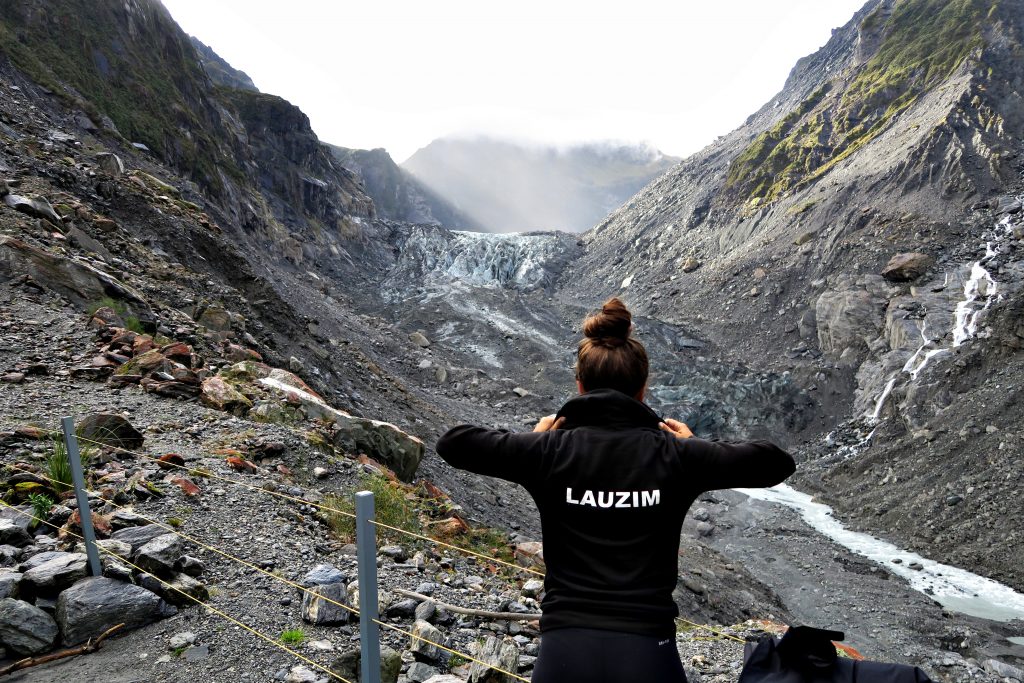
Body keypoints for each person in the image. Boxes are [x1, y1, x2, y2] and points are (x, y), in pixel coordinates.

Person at [436, 297, 795, 683]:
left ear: (580, 386)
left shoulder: (547, 452)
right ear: (643, 389)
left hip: (564, 647)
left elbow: (454, 443)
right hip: (648, 648)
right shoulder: (677, 456)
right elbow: (776, 462)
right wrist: (695, 445)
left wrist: (532, 440)